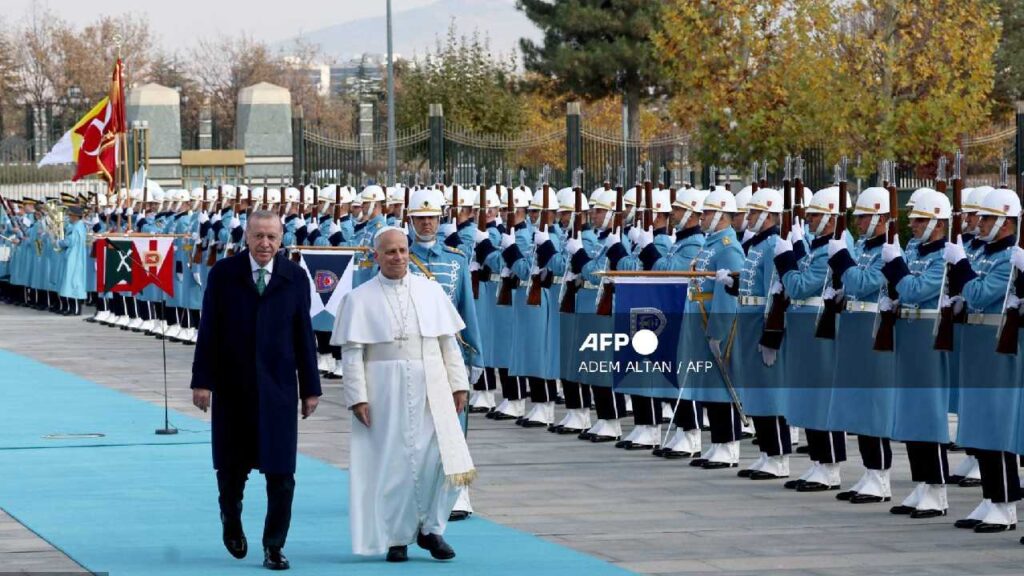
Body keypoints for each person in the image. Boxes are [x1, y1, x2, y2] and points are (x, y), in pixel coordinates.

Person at [332, 226, 476, 563]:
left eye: (402, 250)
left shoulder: (431, 292)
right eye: (390, 252)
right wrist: (357, 397)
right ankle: (396, 537)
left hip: (432, 387)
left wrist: (459, 384)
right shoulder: (359, 298)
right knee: (394, 465)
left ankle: (431, 528)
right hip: (384, 389)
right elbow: (352, 353)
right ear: (376, 256)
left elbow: (448, 343)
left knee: (442, 460)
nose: (398, 257)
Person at [191, 210, 322, 571]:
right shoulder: (224, 274)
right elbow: (209, 331)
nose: (265, 244)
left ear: (282, 240)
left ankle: (274, 546)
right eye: (259, 236)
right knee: (232, 470)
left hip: (278, 389)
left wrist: (310, 389)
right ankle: (230, 520)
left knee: (282, 474)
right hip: (234, 387)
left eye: (273, 237)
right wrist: (202, 381)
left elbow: (303, 336)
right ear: (246, 237)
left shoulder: (294, 277)